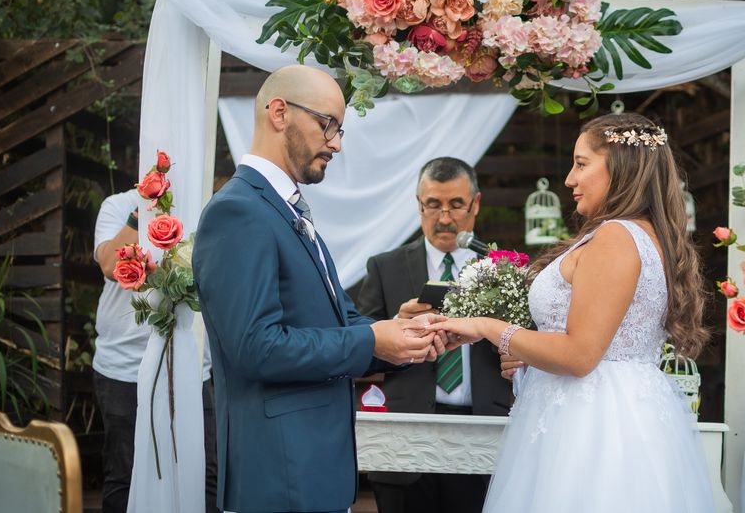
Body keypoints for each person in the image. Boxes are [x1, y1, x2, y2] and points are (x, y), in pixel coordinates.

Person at [429, 113, 716, 512]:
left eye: (581, 164)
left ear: (619, 165)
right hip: (610, 409)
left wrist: (489, 327)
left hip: (593, 425)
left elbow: (580, 356)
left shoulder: (616, 237)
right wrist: (528, 353)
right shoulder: (640, 234)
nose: (569, 179)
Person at [192, 65, 443, 513]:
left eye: (340, 129)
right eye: (327, 124)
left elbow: (337, 322)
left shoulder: (285, 210)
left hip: (313, 470)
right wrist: (370, 338)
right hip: (279, 470)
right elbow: (255, 347)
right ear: (279, 112)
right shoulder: (239, 211)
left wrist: (401, 336)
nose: (336, 143)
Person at [358, 157, 512, 513]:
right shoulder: (384, 267)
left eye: (456, 205)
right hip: (404, 440)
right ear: (419, 205)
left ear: (475, 203)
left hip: (484, 436)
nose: (444, 218)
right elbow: (358, 349)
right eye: (433, 205)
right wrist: (396, 323)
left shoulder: (502, 267)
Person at [92, 190, 218, 513]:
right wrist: (143, 211)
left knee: (206, 474)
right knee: (124, 475)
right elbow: (108, 264)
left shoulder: (205, 203)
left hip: (191, 366)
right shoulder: (117, 206)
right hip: (123, 367)